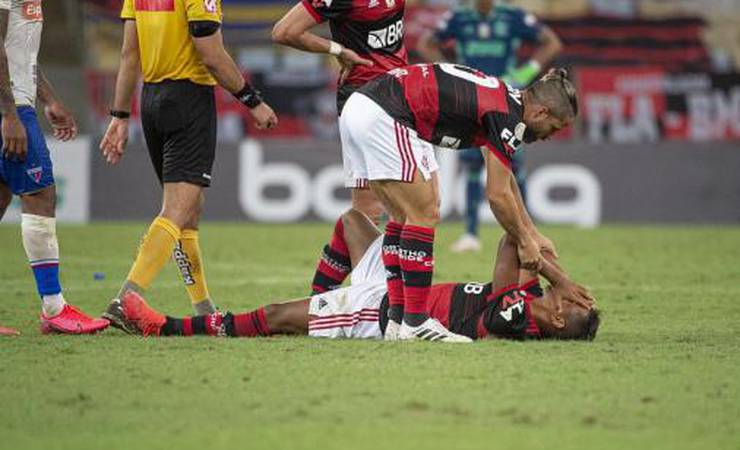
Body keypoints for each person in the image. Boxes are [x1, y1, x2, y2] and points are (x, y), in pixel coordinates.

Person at [339, 64, 577, 341]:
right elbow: (497, 195)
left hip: (362, 106)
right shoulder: (508, 117)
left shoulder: (507, 102)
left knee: (402, 215)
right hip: (387, 112)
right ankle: (415, 322)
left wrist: (532, 233)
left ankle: (397, 318)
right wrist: (524, 241)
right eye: (554, 127)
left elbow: (505, 179)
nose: (550, 136)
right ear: (540, 112)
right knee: (424, 212)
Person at [115, 209, 598, 342]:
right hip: (394, 285)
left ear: (557, 320)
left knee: (278, 316)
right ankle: (322, 306)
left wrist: (554, 271)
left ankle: (168, 327)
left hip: (386, 312)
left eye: (571, 302)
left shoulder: (517, 318)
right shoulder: (529, 297)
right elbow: (513, 239)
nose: (568, 295)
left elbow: (513, 245)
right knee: (353, 223)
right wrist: (557, 272)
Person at [99, 0, 278, 332]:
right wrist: (253, 100)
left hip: (151, 100)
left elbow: (129, 55)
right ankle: (126, 299)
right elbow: (210, 54)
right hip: (188, 98)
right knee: (177, 210)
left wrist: (120, 115)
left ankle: (203, 306)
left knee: (189, 210)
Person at [271, 0, 409, 295]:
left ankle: (320, 297)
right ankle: (374, 295)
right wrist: (337, 50)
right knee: (392, 208)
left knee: (370, 211)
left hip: (394, 97)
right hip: (370, 102)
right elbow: (284, 32)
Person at [418, 0, 562, 253]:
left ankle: (526, 232)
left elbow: (552, 42)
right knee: (473, 164)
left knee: (513, 165)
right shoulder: (458, 18)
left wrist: (526, 72)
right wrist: (448, 71)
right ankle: (471, 234)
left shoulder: (513, 17)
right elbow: (425, 43)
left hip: (506, 101)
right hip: (470, 102)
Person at [0, 0, 109, 334]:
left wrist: (49, 99)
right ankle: (53, 307)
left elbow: (21, 52)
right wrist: (9, 114)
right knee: (40, 193)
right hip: (11, 105)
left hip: (19, 99)